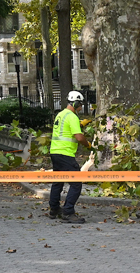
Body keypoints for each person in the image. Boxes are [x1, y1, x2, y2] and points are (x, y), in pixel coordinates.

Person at [48, 90, 89, 223]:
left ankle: (54, 210)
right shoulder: (72, 117)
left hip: (55, 152)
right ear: (76, 103)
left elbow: (64, 130)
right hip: (65, 154)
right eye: (80, 104)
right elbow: (78, 136)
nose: (81, 107)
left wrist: (81, 124)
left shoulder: (60, 115)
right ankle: (68, 212)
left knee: (58, 181)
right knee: (76, 183)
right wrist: (88, 144)